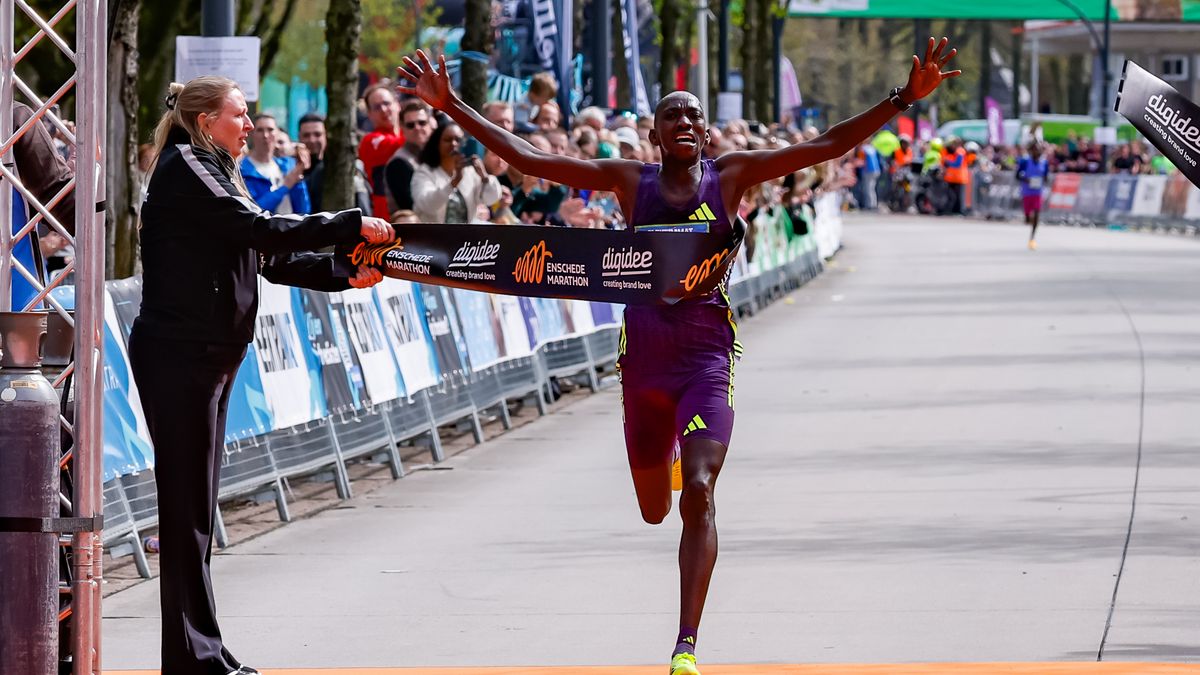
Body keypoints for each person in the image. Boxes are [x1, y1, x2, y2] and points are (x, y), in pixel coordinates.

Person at [399, 37, 959, 675]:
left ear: (707, 131)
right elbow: (528, 156)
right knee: (654, 507)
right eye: (674, 116)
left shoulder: (734, 176)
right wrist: (451, 106)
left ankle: (685, 644)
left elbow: (825, 146)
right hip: (644, 368)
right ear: (655, 134)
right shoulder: (626, 182)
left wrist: (900, 99)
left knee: (699, 491)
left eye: (695, 115)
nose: (687, 123)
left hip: (704, 360)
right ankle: (663, 460)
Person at [129, 75, 394, 675]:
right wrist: (348, 224)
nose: (250, 125)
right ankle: (196, 659)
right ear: (205, 121)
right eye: (240, 115)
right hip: (181, 353)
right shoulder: (188, 165)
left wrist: (340, 275)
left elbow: (267, 259)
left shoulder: (216, 171)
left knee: (196, 513)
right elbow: (260, 231)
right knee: (188, 513)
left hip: (210, 354)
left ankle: (202, 653)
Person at [410, 121, 501, 223]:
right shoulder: (424, 172)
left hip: (465, 237)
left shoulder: (470, 172)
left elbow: (491, 199)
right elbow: (428, 206)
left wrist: (484, 177)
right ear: (437, 143)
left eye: (458, 140)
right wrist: (453, 183)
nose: (453, 144)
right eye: (448, 140)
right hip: (433, 236)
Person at [240, 113, 310, 213]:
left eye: (270, 129)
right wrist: (285, 186)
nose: (265, 135)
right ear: (251, 134)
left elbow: (304, 210)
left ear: (277, 133)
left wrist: (298, 182)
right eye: (260, 130)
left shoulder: (288, 165)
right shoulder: (243, 169)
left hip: (291, 226)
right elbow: (254, 210)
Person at [359, 81, 406, 218]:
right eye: (377, 107)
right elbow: (402, 144)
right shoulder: (370, 141)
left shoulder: (408, 133)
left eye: (387, 103)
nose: (384, 110)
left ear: (397, 104)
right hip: (386, 219)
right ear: (369, 114)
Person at [383, 100, 436, 214]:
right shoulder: (398, 163)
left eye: (422, 123)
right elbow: (410, 207)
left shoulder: (439, 155)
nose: (417, 128)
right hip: (414, 229)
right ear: (402, 128)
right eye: (410, 125)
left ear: (431, 123)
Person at [1016, 141, 1049, 250]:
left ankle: (1032, 238)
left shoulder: (1044, 162)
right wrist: (1026, 179)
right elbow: (1017, 175)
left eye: (1039, 149)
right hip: (1027, 192)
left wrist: (1043, 179)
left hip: (1038, 193)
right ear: (1031, 150)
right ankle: (1029, 219)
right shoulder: (1025, 161)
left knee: (1037, 214)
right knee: (1027, 218)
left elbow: (1046, 176)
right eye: (1035, 149)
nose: (1037, 151)